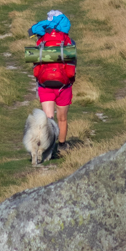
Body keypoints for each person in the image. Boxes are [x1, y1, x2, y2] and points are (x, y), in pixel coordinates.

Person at [28, 10, 76, 154]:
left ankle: (48, 148)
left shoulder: (41, 40)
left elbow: (34, 61)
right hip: (64, 85)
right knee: (62, 119)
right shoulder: (68, 41)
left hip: (45, 85)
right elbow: (73, 64)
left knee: (48, 119)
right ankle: (61, 146)